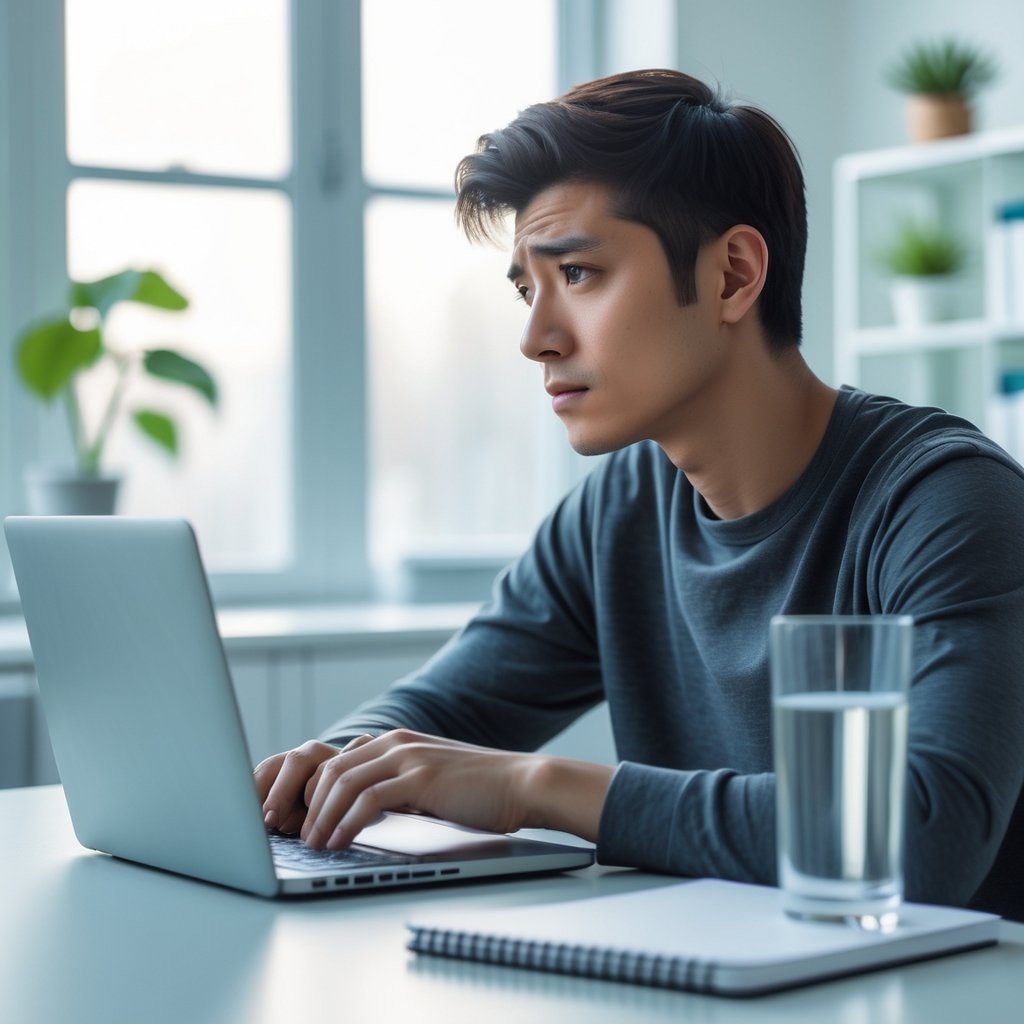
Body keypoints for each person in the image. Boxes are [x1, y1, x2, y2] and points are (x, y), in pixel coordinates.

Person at [255, 69, 1024, 919]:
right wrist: (320, 767)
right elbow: (440, 712)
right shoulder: (618, 508)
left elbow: (923, 839)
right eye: (525, 289)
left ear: (733, 275)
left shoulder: (946, 502)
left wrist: (535, 787)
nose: (535, 338)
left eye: (577, 273)